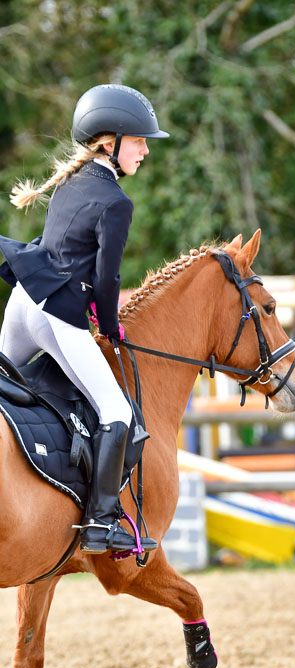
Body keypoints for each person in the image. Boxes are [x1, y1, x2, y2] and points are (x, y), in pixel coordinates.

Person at [0, 84, 169, 554]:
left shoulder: (70, 182)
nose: (145, 150)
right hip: (58, 317)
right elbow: (106, 278)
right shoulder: (117, 202)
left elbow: (62, 252)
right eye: (139, 141)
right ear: (110, 142)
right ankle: (100, 523)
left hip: (23, 301)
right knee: (117, 412)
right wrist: (110, 329)